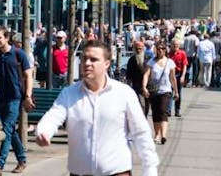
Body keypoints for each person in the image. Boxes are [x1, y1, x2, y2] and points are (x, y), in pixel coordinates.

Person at [35, 40, 158, 176]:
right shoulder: (69, 93)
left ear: (106, 64)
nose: (87, 63)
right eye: (84, 59)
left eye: (93, 60)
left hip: (116, 172)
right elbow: (53, 116)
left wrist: (150, 170)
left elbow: (141, 133)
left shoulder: (124, 93)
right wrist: (44, 131)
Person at [0, 27, 34, 173]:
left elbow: (28, 76)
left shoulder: (18, 54)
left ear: (6, 38)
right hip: (1, 97)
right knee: (10, 130)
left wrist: (28, 96)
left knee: (5, 129)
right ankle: (22, 159)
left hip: (16, 97)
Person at [141, 43, 177, 145]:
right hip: (154, 91)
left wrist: (176, 91)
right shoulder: (151, 62)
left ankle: (164, 135)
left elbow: (173, 78)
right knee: (156, 112)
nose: (160, 50)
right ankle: (157, 133)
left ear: (165, 50)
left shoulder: (170, 62)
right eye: (159, 49)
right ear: (156, 50)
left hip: (166, 91)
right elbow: (146, 75)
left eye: (162, 49)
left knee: (163, 111)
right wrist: (144, 87)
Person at [124, 40, 149, 116]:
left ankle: (145, 117)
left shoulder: (148, 58)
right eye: (137, 49)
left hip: (148, 85)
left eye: (140, 49)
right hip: (137, 85)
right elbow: (129, 75)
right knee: (141, 104)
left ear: (143, 48)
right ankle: (142, 119)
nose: (138, 50)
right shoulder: (131, 60)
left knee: (147, 105)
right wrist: (129, 87)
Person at [169, 39, 188, 117]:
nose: (175, 46)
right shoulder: (169, 54)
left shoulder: (182, 53)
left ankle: (177, 110)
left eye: (177, 45)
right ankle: (168, 110)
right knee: (169, 92)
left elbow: (185, 65)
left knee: (178, 93)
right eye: (174, 45)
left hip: (179, 75)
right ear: (171, 45)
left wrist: (183, 76)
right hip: (170, 75)